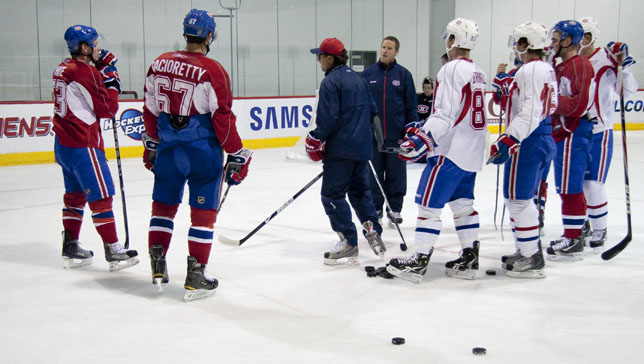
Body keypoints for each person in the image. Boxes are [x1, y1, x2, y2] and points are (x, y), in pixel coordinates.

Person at [141, 9, 252, 301]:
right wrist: (237, 153)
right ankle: (195, 275)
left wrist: (152, 144)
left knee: (162, 208)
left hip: (168, 149)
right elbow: (222, 118)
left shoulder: (158, 63)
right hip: (202, 152)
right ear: (209, 35)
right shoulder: (212, 70)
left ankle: (157, 266)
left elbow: (150, 110)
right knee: (203, 214)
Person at [386, 18, 487, 283]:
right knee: (464, 205)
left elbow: (445, 114)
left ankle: (418, 260)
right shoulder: (478, 71)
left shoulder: (451, 68)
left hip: (450, 152)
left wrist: (421, 139)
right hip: (471, 152)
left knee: (428, 206)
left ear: (453, 39)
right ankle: (469, 256)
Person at [53, 25, 139, 272]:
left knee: (75, 196)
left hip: (64, 145)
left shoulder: (62, 68)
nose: (99, 47)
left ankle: (70, 245)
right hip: (84, 144)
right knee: (102, 195)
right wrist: (111, 77)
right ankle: (113, 249)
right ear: (83, 47)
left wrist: (99, 69)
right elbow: (107, 109)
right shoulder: (83, 72)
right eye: (94, 43)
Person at [306, 37, 386, 265]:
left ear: (330, 58)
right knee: (360, 192)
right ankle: (372, 228)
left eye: (320, 56)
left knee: (332, 195)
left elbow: (328, 118)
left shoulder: (331, 82)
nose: (319, 60)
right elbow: (373, 111)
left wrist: (315, 138)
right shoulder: (358, 79)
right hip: (362, 149)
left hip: (340, 151)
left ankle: (349, 241)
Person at [488, 21, 558, 278]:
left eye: (518, 42)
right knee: (522, 198)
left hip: (529, 141)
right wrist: (505, 90)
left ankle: (531, 256)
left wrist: (510, 138)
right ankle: (525, 249)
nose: (515, 47)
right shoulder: (544, 69)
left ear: (527, 44)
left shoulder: (530, 70)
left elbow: (530, 111)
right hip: (543, 138)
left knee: (518, 199)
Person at [577, 16, 639, 250]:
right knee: (576, 183)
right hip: (574, 131)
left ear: (590, 37)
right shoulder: (570, 59)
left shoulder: (606, 57)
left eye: (582, 35)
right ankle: (582, 222)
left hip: (598, 132)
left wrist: (624, 66)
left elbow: (628, 91)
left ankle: (600, 227)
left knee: (593, 184)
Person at [544, 20, 596, 261]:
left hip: (573, 131)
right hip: (563, 131)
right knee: (566, 185)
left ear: (568, 40)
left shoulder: (580, 65)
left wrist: (551, 101)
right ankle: (574, 232)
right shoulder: (561, 65)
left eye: (555, 39)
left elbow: (578, 104)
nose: (552, 43)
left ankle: (573, 238)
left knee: (569, 186)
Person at [362, 36, 418, 227]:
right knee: (373, 175)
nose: (385, 50)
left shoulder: (404, 75)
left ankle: (395, 209)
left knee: (396, 175)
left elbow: (411, 107)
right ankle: (375, 207)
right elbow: (361, 106)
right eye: (383, 47)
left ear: (396, 52)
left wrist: (411, 133)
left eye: (390, 48)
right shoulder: (368, 74)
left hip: (396, 137)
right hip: (372, 138)